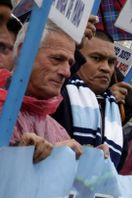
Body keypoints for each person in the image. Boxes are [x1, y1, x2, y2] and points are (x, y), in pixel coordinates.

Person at [0, 21, 83, 162]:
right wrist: (17, 154)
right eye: (57, 59)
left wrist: (91, 162)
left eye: (70, 63)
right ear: (24, 51)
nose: (67, 72)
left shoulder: (60, 132)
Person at [51, 30, 127, 167]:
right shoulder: (58, 92)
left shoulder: (111, 109)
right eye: (97, 58)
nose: (106, 68)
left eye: (111, 62)